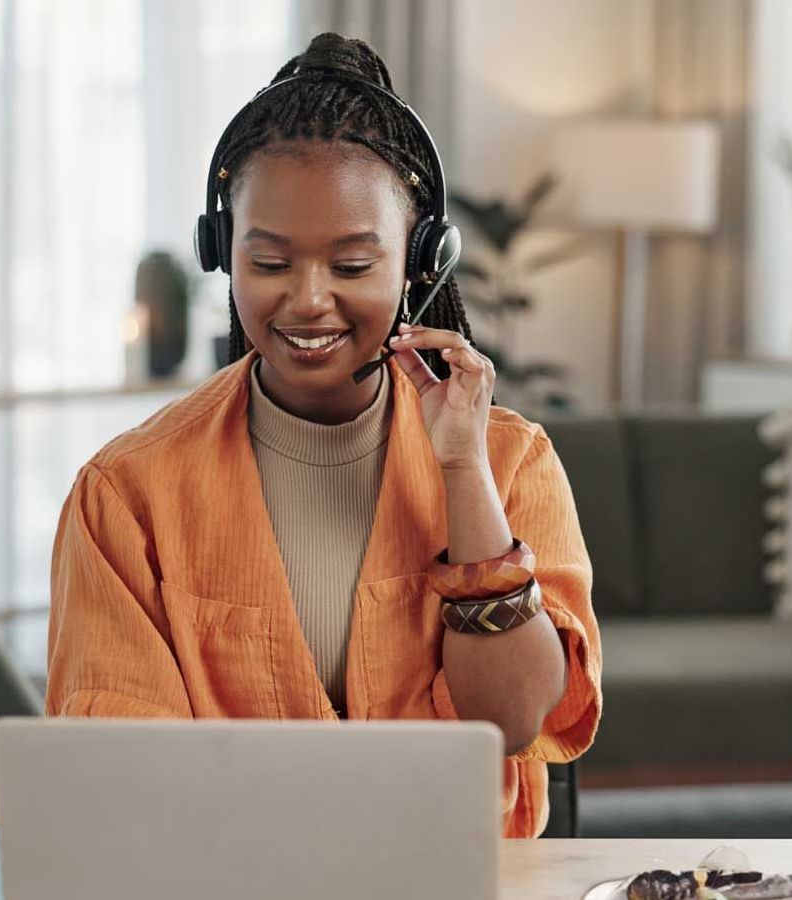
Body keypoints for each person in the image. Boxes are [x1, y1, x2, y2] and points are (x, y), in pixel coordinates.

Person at [47, 33, 601, 839]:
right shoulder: (128, 492)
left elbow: (513, 720)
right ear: (221, 256)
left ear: (418, 265)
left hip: (456, 880)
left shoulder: (513, 461)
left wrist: (461, 472)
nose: (308, 301)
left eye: (350, 266)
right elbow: (125, 782)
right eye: (269, 263)